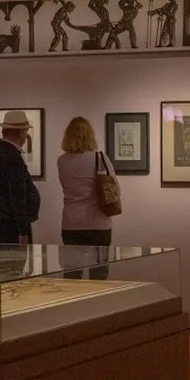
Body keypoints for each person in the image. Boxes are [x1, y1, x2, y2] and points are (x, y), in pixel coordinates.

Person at [57, 117, 117, 279]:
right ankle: (95, 304)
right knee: (98, 274)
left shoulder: (62, 161)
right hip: (98, 223)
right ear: (90, 135)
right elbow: (113, 186)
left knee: (72, 274)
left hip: (71, 223)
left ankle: (74, 304)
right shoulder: (100, 158)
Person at [0, 110, 41, 244]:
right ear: (21, 132)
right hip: (13, 225)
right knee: (15, 263)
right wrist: (22, 231)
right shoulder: (14, 158)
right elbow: (18, 196)